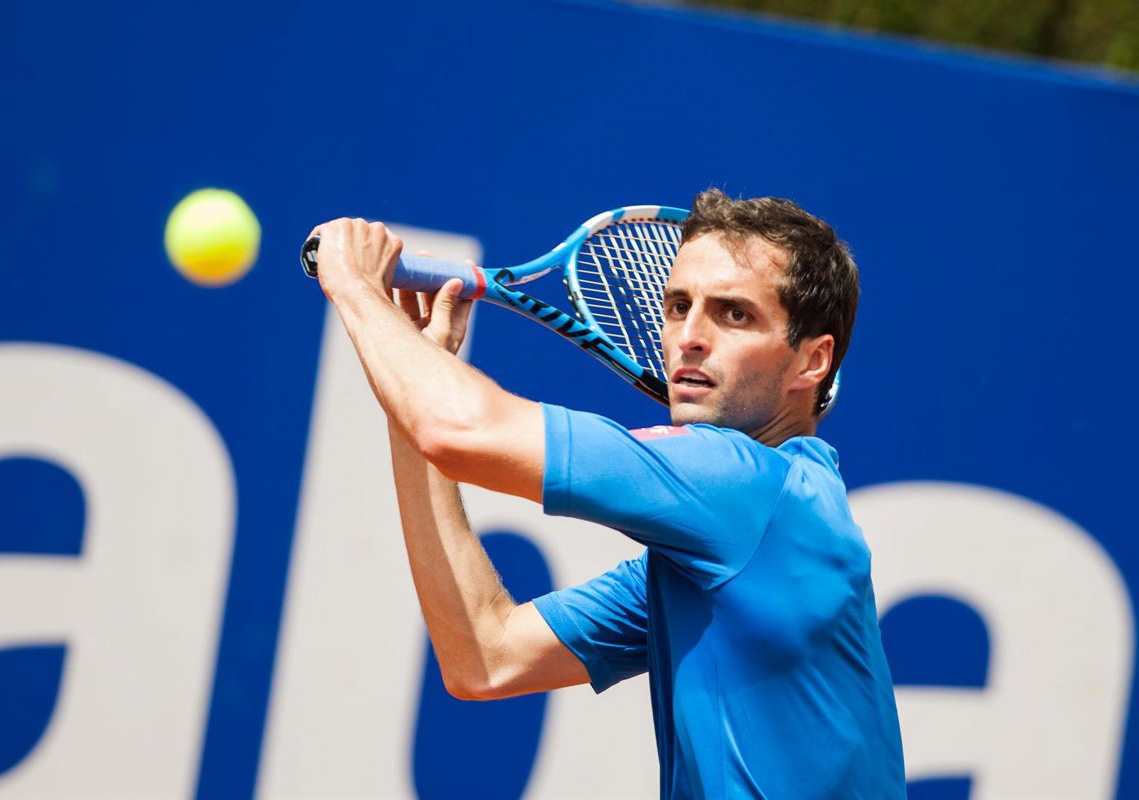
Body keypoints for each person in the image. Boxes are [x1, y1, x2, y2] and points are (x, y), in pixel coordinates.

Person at [308, 189, 906, 799]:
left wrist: (356, 288)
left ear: (812, 362)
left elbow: (457, 429)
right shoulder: (724, 553)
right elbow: (485, 657)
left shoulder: (744, 484)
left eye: (734, 315)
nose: (689, 336)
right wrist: (405, 404)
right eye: (678, 306)